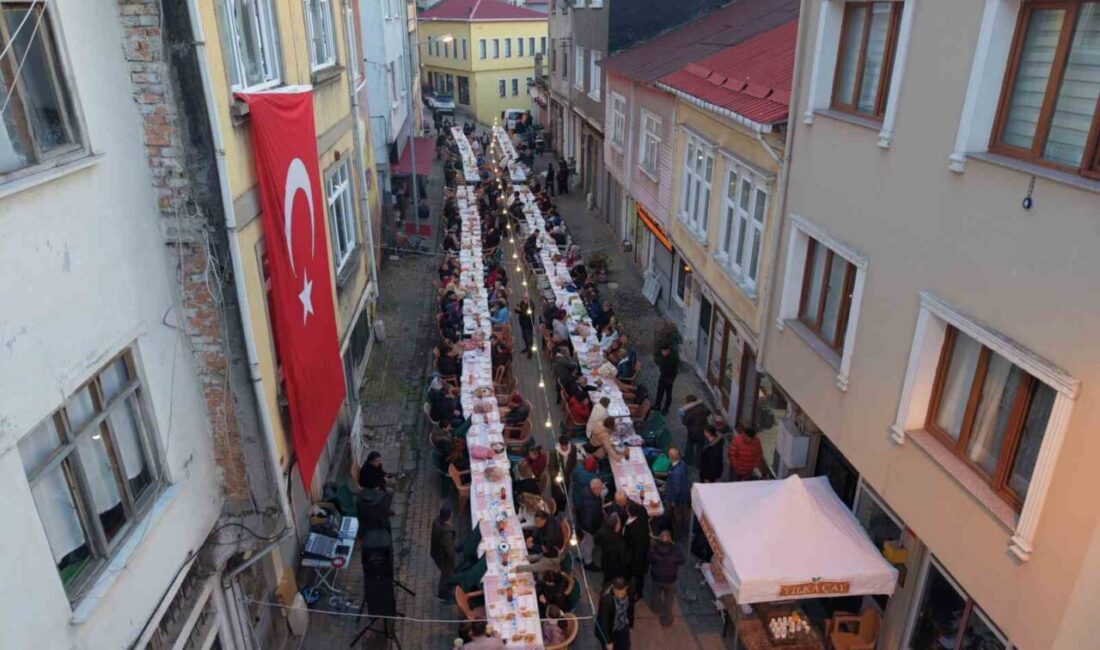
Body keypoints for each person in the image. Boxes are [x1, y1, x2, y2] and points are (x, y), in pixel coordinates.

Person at [647, 529, 684, 627]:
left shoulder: (653, 549)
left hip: (657, 577)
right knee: (669, 598)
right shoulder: (675, 550)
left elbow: (648, 559)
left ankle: (655, 608)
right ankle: (666, 619)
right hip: (670, 579)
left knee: (656, 593)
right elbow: (682, 560)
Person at [596, 577, 634, 650]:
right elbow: (604, 622)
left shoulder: (630, 590)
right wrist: (608, 641)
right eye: (617, 592)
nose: (619, 596)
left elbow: (631, 608)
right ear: (613, 588)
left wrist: (631, 625)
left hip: (623, 625)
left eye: (622, 593)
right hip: (611, 629)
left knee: (626, 646)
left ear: (626, 588)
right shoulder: (606, 601)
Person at [596, 513, 632, 589]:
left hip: (605, 562)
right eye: (619, 523)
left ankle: (605, 588)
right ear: (615, 526)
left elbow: (597, 540)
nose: (620, 524)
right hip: (616, 567)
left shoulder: (602, 531)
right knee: (613, 582)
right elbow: (624, 559)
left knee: (607, 579)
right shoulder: (619, 542)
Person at [623, 502, 651, 599]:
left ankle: (637, 593)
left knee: (637, 576)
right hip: (641, 552)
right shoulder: (642, 513)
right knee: (639, 576)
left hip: (636, 557)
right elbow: (642, 508)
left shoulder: (633, 530)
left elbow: (633, 546)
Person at [577, 478, 606, 570]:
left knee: (584, 541)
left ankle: (580, 555)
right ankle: (588, 563)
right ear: (595, 489)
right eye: (600, 488)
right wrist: (593, 532)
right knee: (590, 545)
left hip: (582, 523)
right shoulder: (591, 504)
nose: (602, 490)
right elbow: (589, 520)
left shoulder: (587, 491)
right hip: (589, 528)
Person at [663, 447, 691, 541]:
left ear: (671, 457)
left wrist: (673, 501)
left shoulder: (676, 472)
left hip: (677, 501)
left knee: (677, 518)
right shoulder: (682, 464)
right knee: (678, 517)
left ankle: (675, 538)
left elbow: (677, 490)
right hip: (683, 497)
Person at [430, 504, 457, 602]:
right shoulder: (447, 534)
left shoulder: (436, 522)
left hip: (437, 552)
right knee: (446, 576)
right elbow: (449, 552)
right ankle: (442, 595)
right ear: (449, 516)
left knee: (445, 574)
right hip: (444, 559)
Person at [654, 344, 679, 414]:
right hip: (662, 377)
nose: (663, 353)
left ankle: (666, 408)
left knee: (668, 394)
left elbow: (675, 371)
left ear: (668, 350)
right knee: (659, 392)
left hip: (668, 379)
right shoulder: (662, 357)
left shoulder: (672, 359)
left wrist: (671, 380)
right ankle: (657, 405)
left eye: (665, 351)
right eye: (662, 351)